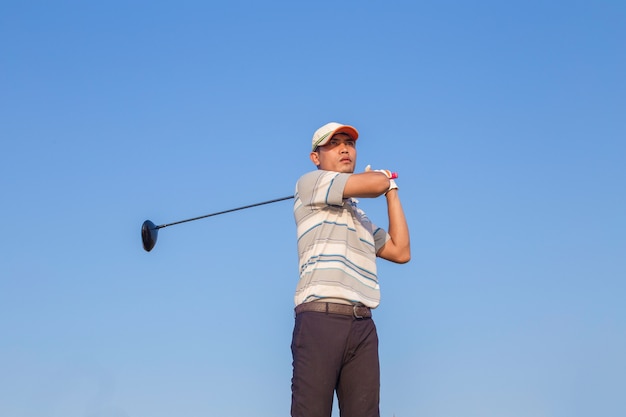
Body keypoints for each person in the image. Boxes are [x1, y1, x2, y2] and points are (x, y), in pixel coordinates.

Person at [291, 122, 411, 417]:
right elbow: (372, 184)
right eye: (333, 143)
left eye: (350, 143)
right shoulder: (310, 183)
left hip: (362, 326)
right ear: (315, 157)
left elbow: (401, 251)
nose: (345, 148)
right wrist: (381, 180)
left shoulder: (360, 217)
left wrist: (391, 191)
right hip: (320, 319)